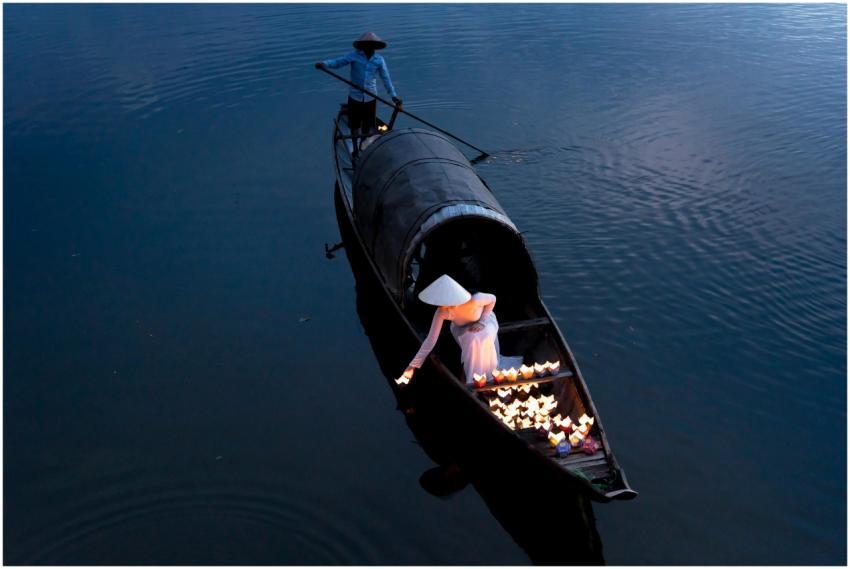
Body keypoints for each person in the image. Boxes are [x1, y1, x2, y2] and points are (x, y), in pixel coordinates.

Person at [401, 274, 519, 384]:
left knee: (483, 335)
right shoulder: (441, 312)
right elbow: (431, 340)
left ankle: (489, 373)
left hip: (485, 320)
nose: (441, 305)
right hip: (461, 328)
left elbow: (492, 299)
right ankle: (473, 378)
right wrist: (412, 366)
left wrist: (482, 322)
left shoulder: (475, 299)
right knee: (472, 339)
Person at [315, 31, 402, 158]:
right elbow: (338, 62)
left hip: (371, 97)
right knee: (354, 125)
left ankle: (362, 145)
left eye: (372, 45)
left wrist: (394, 96)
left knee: (368, 126)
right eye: (367, 45)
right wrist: (325, 64)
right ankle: (355, 148)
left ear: (375, 47)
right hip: (355, 97)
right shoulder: (354, 56)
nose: (369, 47)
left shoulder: (379, 60)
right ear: (363, 46)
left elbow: (386, 79)